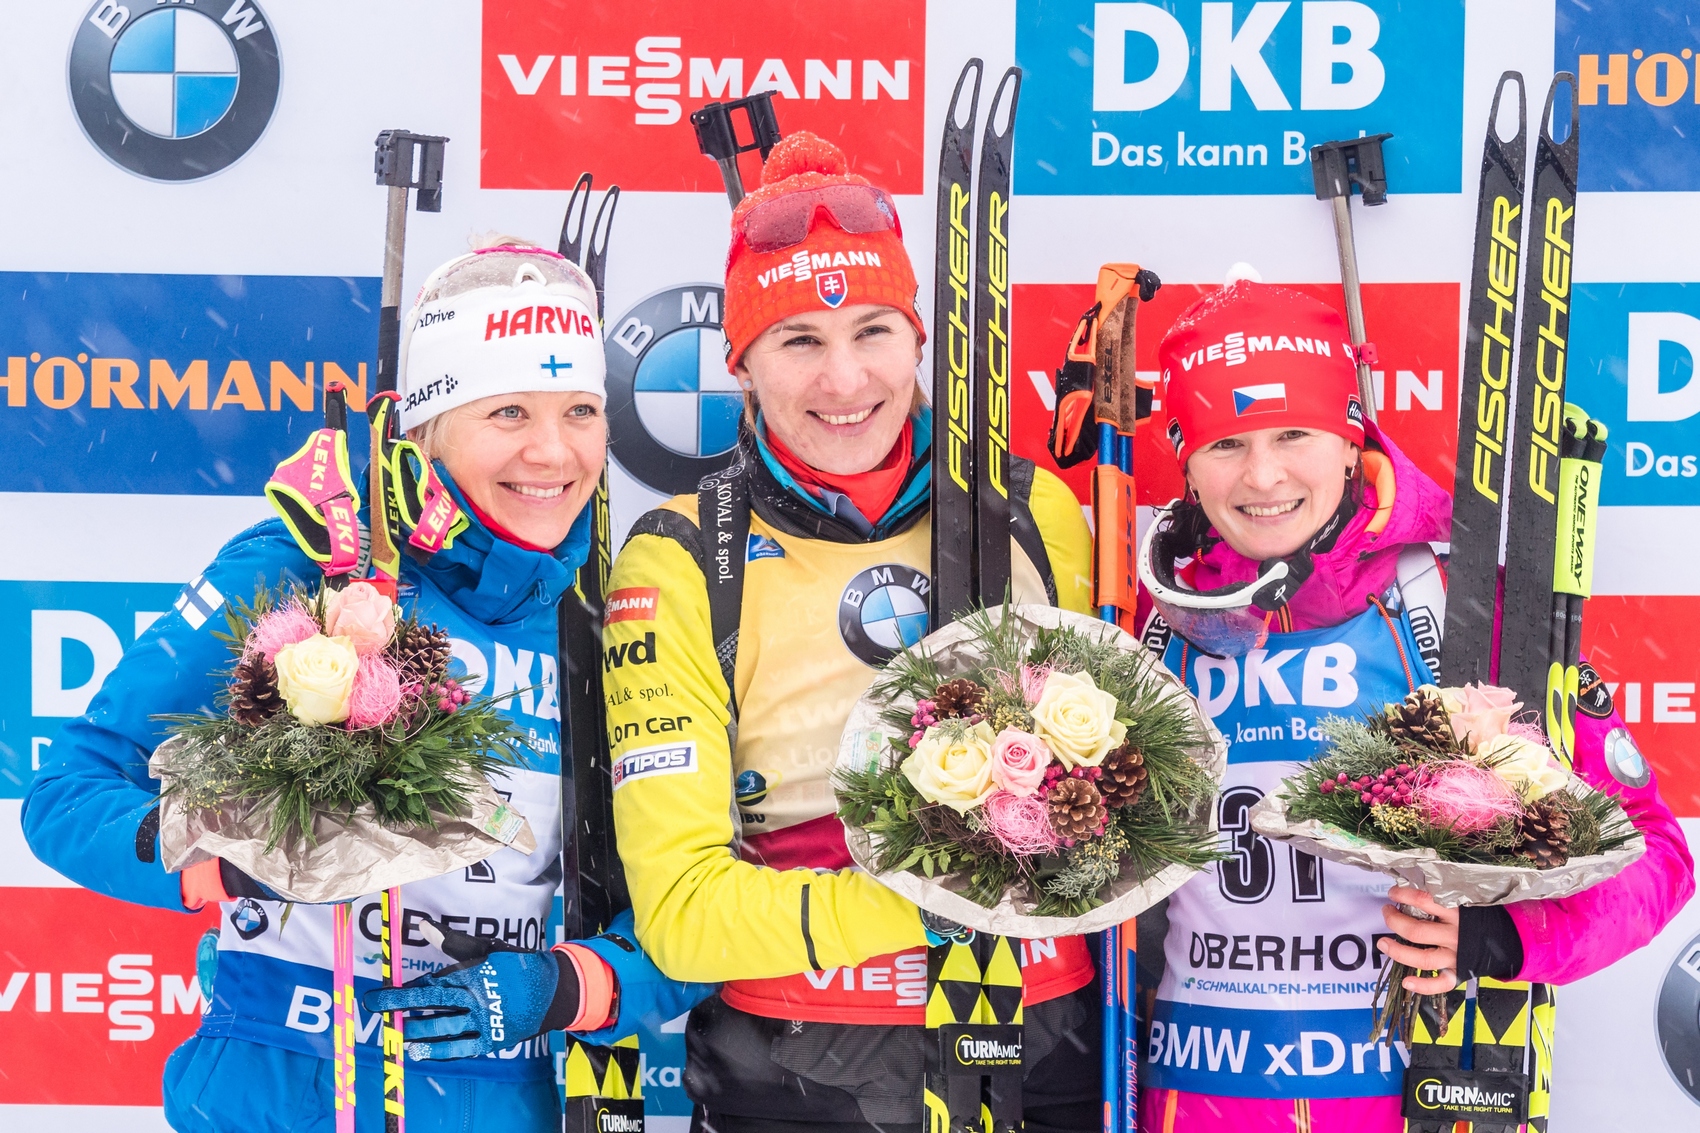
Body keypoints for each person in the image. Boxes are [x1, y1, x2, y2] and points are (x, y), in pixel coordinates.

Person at [22, 242, 707, 1133]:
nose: (553, 449)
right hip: (280, 1088)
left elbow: (703, 901)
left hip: (508, 1103)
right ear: (427, 427)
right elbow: (69, 791)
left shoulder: (615, 623)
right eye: (507, 411)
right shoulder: (308, 569)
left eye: (581, 409)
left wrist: (578, 982)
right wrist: (211, 858)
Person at [596, 132, 1102, 1132]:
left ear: (917, 337)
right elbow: (684, 916)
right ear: (740, 361)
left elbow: (1113, 792)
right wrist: (921, 898)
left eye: (872, 330)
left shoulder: (1033, 510)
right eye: (797, 341)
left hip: (1041, 1038)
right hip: (797, 1066)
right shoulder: (681, 552)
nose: (842, 380)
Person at [1132, 267, 1695, 1132]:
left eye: (1294, 432)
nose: (1263, 474)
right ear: (1188, 459)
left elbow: (1654, 852)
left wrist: (1505, 941)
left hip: (1415, 1094)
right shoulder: (1154, 618)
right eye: (1225, 442)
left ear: (1352, 432)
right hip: (1200, 1096)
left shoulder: (1464, 602)